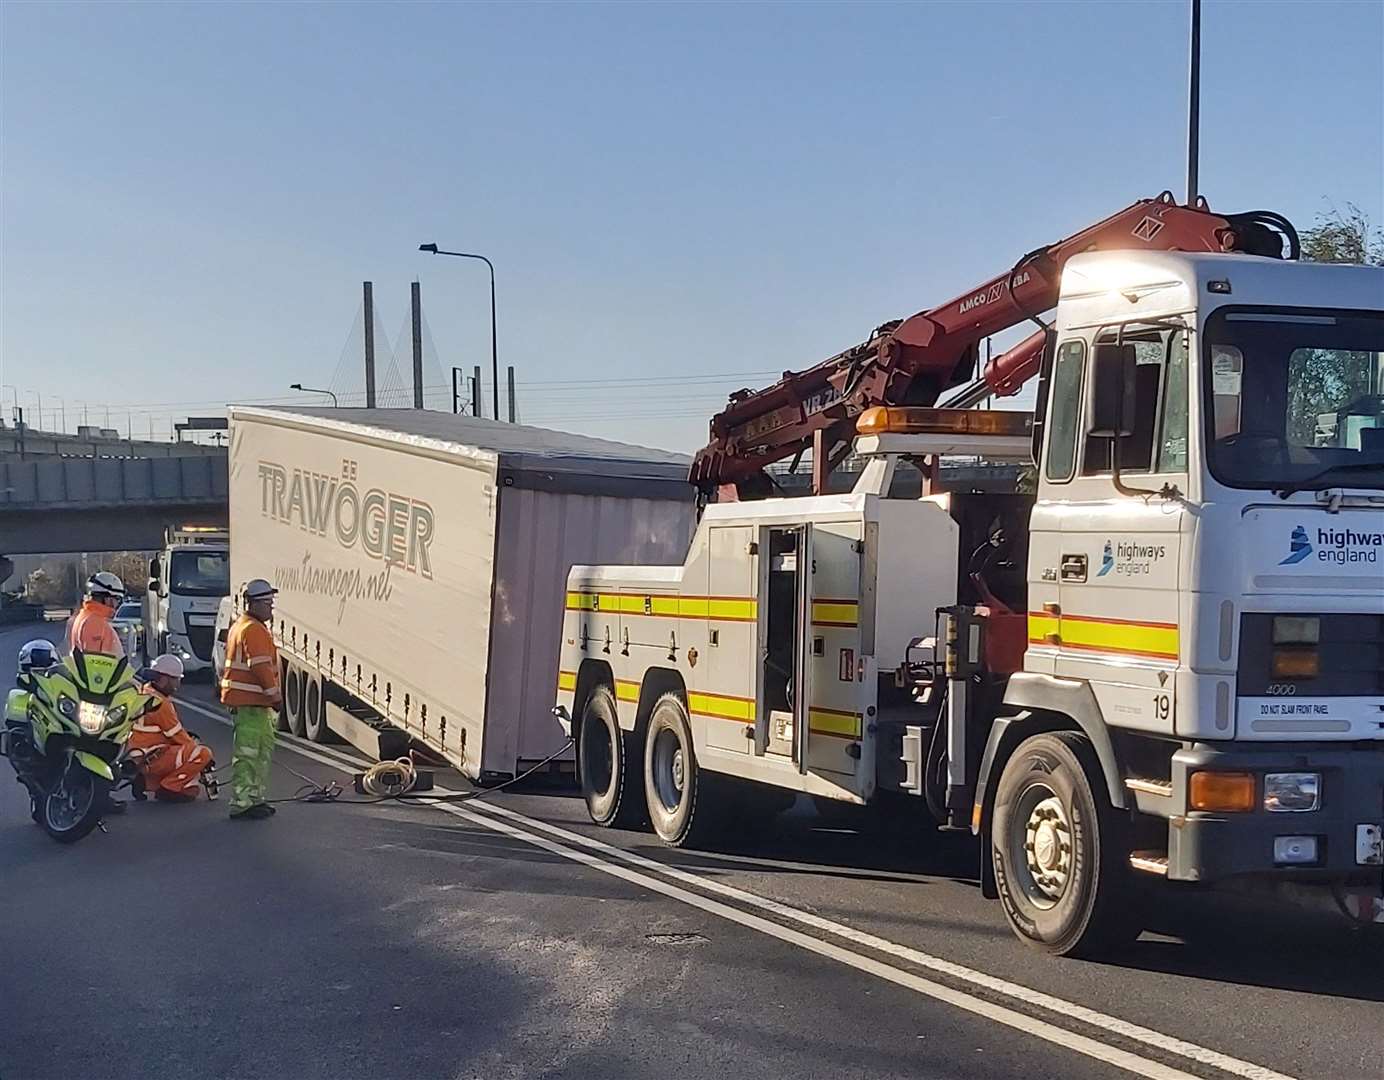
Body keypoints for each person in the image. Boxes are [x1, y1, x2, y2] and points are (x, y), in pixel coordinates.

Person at [219, 579, 281, 821]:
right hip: (251, 703)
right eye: (267, 604)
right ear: (255, 604)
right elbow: (260, 667)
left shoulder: (242, 625)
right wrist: (274, 696)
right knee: (248, 754)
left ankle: (254, 798)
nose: (270, 609)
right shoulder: (253, 629)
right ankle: (243, 802)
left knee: (259, 753)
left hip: (251, 703)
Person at [128, 654, 214, 802]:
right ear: (165, 678)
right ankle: (169, 787)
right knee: (202, 753)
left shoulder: (145, 692)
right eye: (176, 679)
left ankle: (147, 782)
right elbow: (179, 736)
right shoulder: (160, 703)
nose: (178, 684)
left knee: (191, 789)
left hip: (142, 754)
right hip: (153, 757)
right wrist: (204, 759)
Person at [67, 571, 127, 657]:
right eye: (117, 599)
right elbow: (94, 663)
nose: (117, 604)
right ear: (108, 599)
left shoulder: (84, 616)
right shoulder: (95, 622)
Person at [6, 639, 56, 723]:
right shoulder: (26, 677)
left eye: (46, 656)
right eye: (39, 656)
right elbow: (24, 682)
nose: (45, 659)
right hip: (38, 710)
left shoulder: (55, 675)